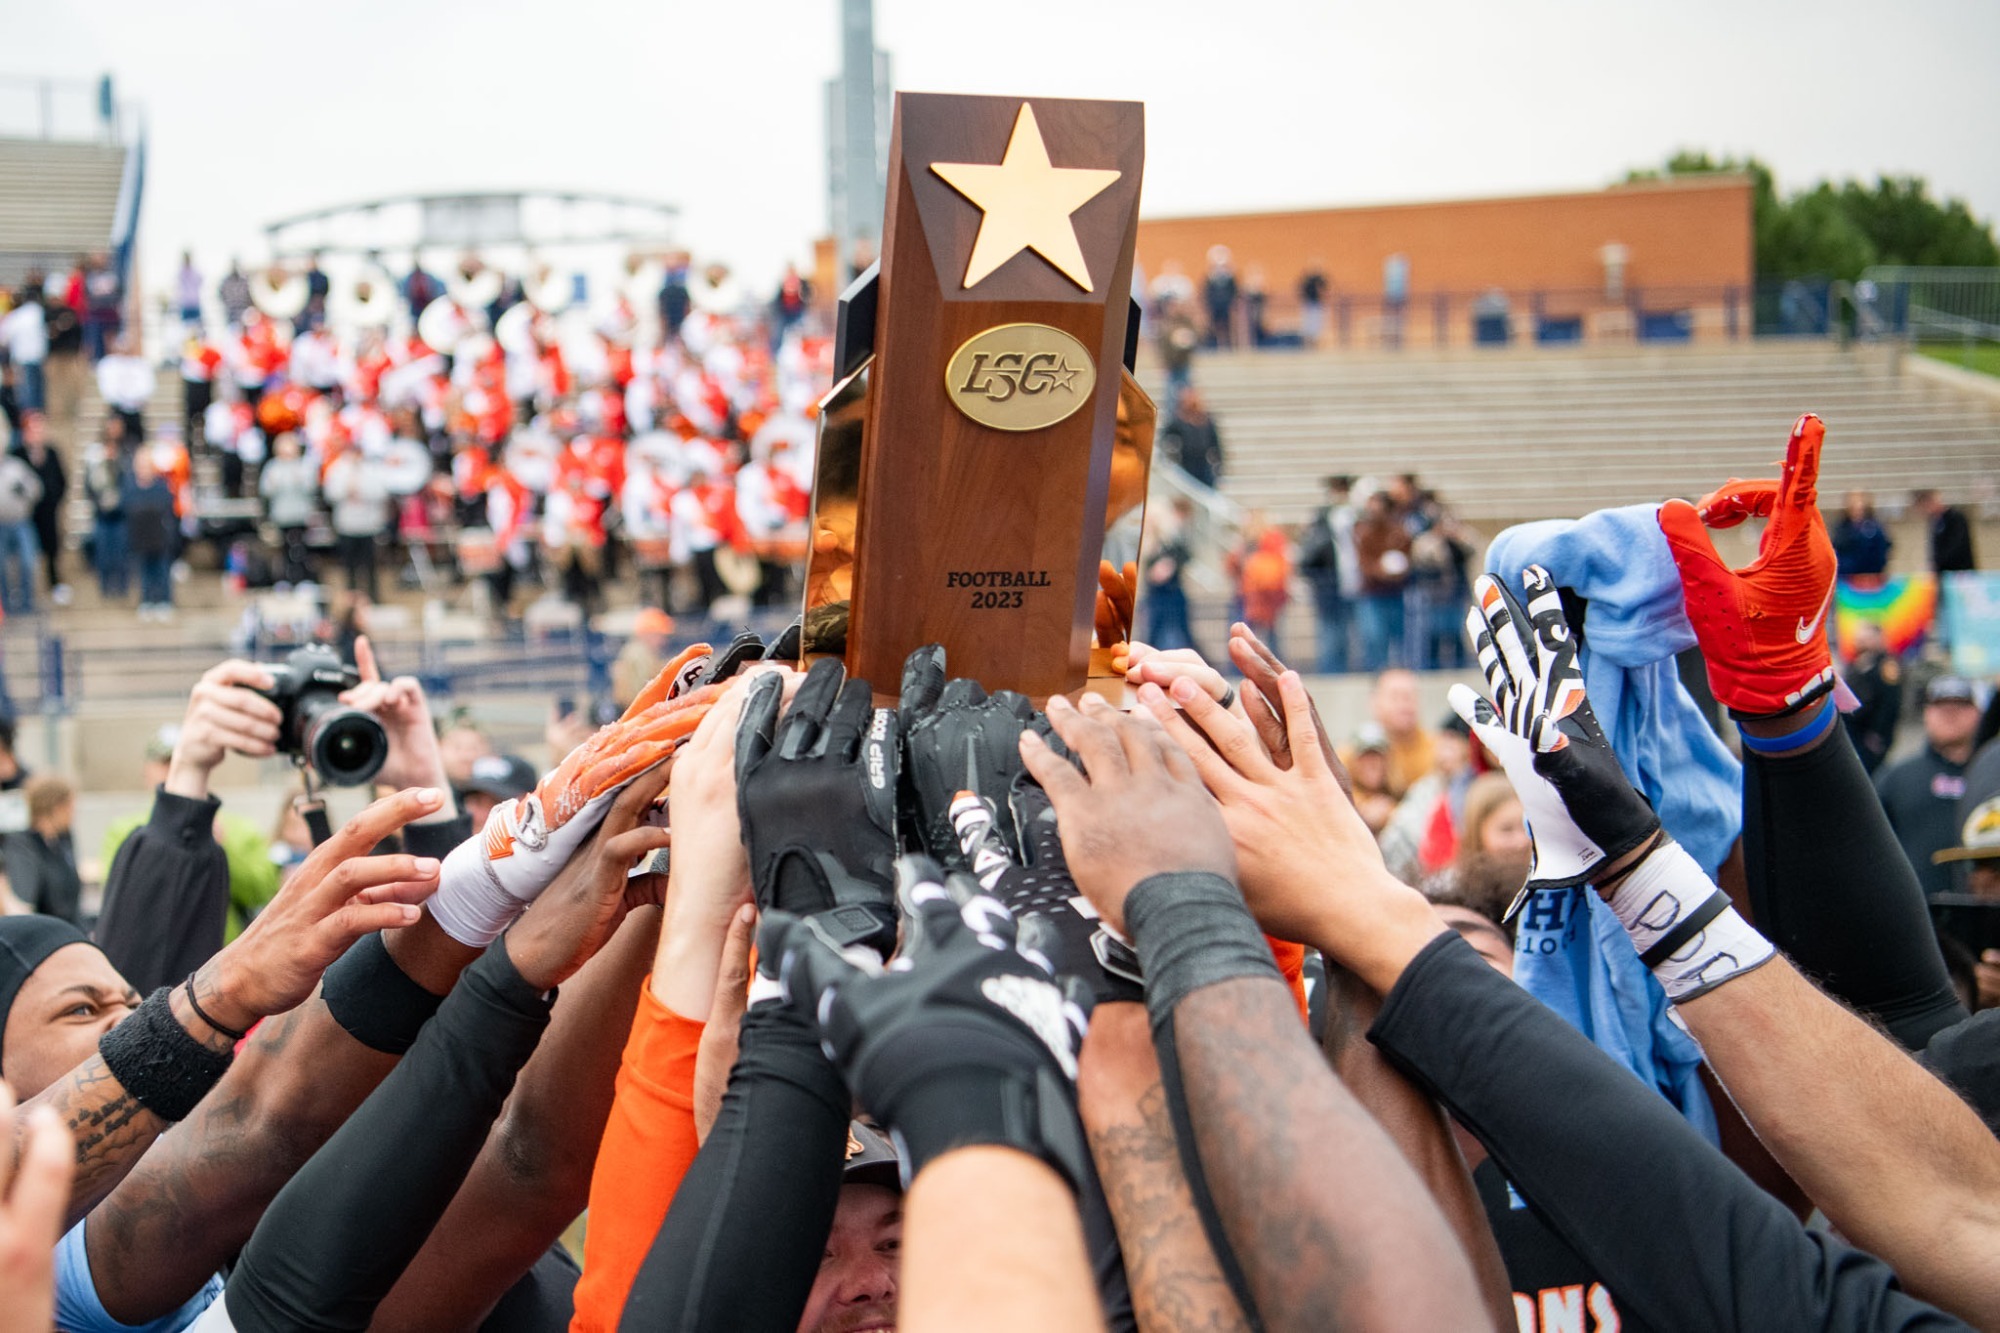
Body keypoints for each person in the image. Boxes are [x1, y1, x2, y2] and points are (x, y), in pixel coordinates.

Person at [100, 721, 282, 956]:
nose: (176, 770)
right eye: (167, 763)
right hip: (153, 958)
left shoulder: (239, 828)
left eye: (182, 762)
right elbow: (120, 899)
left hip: (223, 961)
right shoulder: (125, 830)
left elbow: (262, 891)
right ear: (148, 771)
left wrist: (220, 848)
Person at [1877, 675, 1984, 896]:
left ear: (1977, 713)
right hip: (1916, 914)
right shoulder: (1897, 778)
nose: (1950, 715)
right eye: (1941, 707)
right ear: (1926, 714)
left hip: (1985, 917)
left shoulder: (1990, 774)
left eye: (1960, 706)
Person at [1298, 475, 1357, 674]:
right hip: (1329, 583)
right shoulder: (1322, 518)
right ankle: (1332, 672)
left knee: (1352, 634)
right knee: (1331, 634)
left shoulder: (1355, 516)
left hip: (1353, 580)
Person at [5, 774, 80, 927]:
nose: (74, 813)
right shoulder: (22, 845)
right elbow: (25, 901)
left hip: (69, 929)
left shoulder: (63, 841)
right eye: (70, 806)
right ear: (56, 807)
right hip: (44, 934)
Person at [13, 412, 68, 606]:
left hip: (48, 510)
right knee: (27, 555)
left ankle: (54, 584)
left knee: (52, 549)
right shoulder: (18, 454)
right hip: (25, 515)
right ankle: (25, 592)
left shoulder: (51, 453)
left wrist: (54, 499)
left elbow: (62, 480)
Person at [1354, 487, 1412, 671]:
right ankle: (1376, 672)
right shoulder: (1365, 532)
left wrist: (1397, 571)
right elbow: (1364, 563)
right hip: (1373, 593)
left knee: (1397, 636)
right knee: (1374, 636)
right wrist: (1379, 571)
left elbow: (1408, 559)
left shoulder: (1400, 532)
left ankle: (1397, 671)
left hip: (1395, 592)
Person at [323, 446, 390, 601]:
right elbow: (330, 493)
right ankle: (351, 598)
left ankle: (373, 597)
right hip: (347, 525)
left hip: (368, 525)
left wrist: (361, 490)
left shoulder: (373, 469)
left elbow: (381, 491)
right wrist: (347, 490)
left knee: (370, 565)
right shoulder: (338, 469)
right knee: (349, 565)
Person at [1843, 618, 1904, 772]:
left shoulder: (1886, 666)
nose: (1861, 643)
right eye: (1859, 639)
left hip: (1871, 734)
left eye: (1866, 639)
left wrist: (1878, 733)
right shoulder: (1856, 663)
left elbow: (1890, 704)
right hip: (1853, 730)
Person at [257, 432, 318, 585]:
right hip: (282, 515)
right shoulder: (273, 467)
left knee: (301, 549)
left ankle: (303, 579)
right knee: (284, 550)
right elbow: (266, 489)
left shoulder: (304, 465)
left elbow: (311, 486)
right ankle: (285, 579)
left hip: (300, 515)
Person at [1140, 496, 1197, 655]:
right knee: (1155, 632)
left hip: (1171, 593)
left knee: (1178, 632)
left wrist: (1170, 564)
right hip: (1156, 594)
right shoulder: (1150, 542)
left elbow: (1184, 555)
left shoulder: (1170, 539)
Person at [124, 450, 178, 619]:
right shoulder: (130, 487)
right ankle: (146, 601)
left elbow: (168, 508)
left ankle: (165, 601)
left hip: (160, 536)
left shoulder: (162, 486)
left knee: (162, 570)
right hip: (140, 537)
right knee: (144, 572)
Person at [81, 417, 129, 601]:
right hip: (101, 512)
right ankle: (105, 587)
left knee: (121, 551)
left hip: (121, 512)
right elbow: (89, 483)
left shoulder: (126, 452)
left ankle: (122, 588)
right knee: (103, 552)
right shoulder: (95, 454)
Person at [0, 442, 42, 615]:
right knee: (1, 566)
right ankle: (5, 604)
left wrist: (24, 491)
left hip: (20, 522)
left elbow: (37, 489)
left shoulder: (15, 467)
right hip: (0, 525)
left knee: (27, 561)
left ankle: (27, 602)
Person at [1158, 386, 1223, 490]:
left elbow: (1215, 442)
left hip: (1203, 463)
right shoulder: (1178, 421)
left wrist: (1219, 463)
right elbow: (1165, 438)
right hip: (1186, 463)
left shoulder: (1206, 420)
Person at [95, 333, 154, 443]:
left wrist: (130, 396)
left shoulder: (140, 364)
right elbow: (108, 391)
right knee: (113, 438)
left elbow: (146, 388)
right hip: (117, 409)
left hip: (136, 409)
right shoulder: (108, 364)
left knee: (138, 441)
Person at [0, 286, 47, 414]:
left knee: (27, 389)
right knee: (37, 387)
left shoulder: (17, 316)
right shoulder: (39, 312)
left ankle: (30, 413)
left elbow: (5, 337)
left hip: (22, 356)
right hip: (37, 355)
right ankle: (36, 413)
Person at [1912, 488, 1977, 576]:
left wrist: (1939, 562)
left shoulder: (1956, 518)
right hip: (1943, 572)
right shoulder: (1934, 521)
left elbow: (1957, 545)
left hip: (1960, 572)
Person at [1833, 489, 1892, 579]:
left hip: (1872, 576)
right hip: (1847, 578)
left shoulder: (1875, 527)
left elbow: (1881, 550)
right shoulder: (1841, 527)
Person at [1201, 245, 1238, 349]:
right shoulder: (1209, 277)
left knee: (1228, 325)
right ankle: (1213, 344)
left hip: (1227, 305)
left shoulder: (1230, 277)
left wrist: (1231, 303)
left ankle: (1229, 345)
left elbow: (1234, 291)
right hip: (1214, 305)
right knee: (1213, 325)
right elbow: (1206, 292)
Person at [1297, 261, 1329, 346]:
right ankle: (1308, 342)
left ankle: (1315, 342)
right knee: (1308, 324)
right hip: (1308, 303)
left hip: (1317, 303)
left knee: (1316, 324)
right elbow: (1301, 290)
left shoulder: (1320, 279)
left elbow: (1325, 288)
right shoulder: (1307, 280)